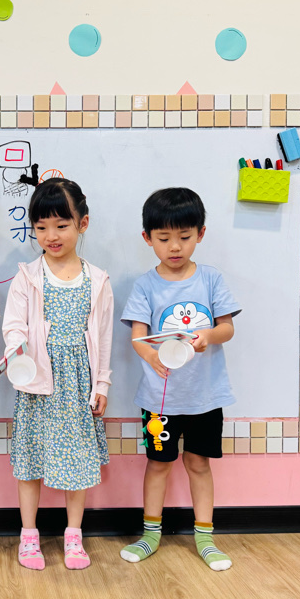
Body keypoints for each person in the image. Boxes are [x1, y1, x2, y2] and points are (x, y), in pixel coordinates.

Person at [120, 188, 240, 571]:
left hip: (205, 397)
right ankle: (150, 534)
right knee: (158, 465)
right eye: (164, 238)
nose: (175, 246)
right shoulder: (145, 285)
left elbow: (227, 329)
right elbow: (138, 338)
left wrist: (208, 335)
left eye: (184, 237)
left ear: (200, 234)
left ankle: (205, 537)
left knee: (199, 464)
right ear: (147, 238)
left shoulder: (211, 278)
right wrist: (151, 356)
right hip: (159, 400)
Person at [2, 179, 113, 570]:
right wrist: (17, 348)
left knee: (78, 463)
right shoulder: (27, 276)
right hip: (37, 383)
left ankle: (74, 536)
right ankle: (28, 536)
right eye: (42, 226)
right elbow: (13, 325)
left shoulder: (98, 280)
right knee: (31, 461)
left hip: (78, 385)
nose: (51, 235)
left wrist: (102, 384)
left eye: (61, 225)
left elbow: (104, 336)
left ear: (83, 223)